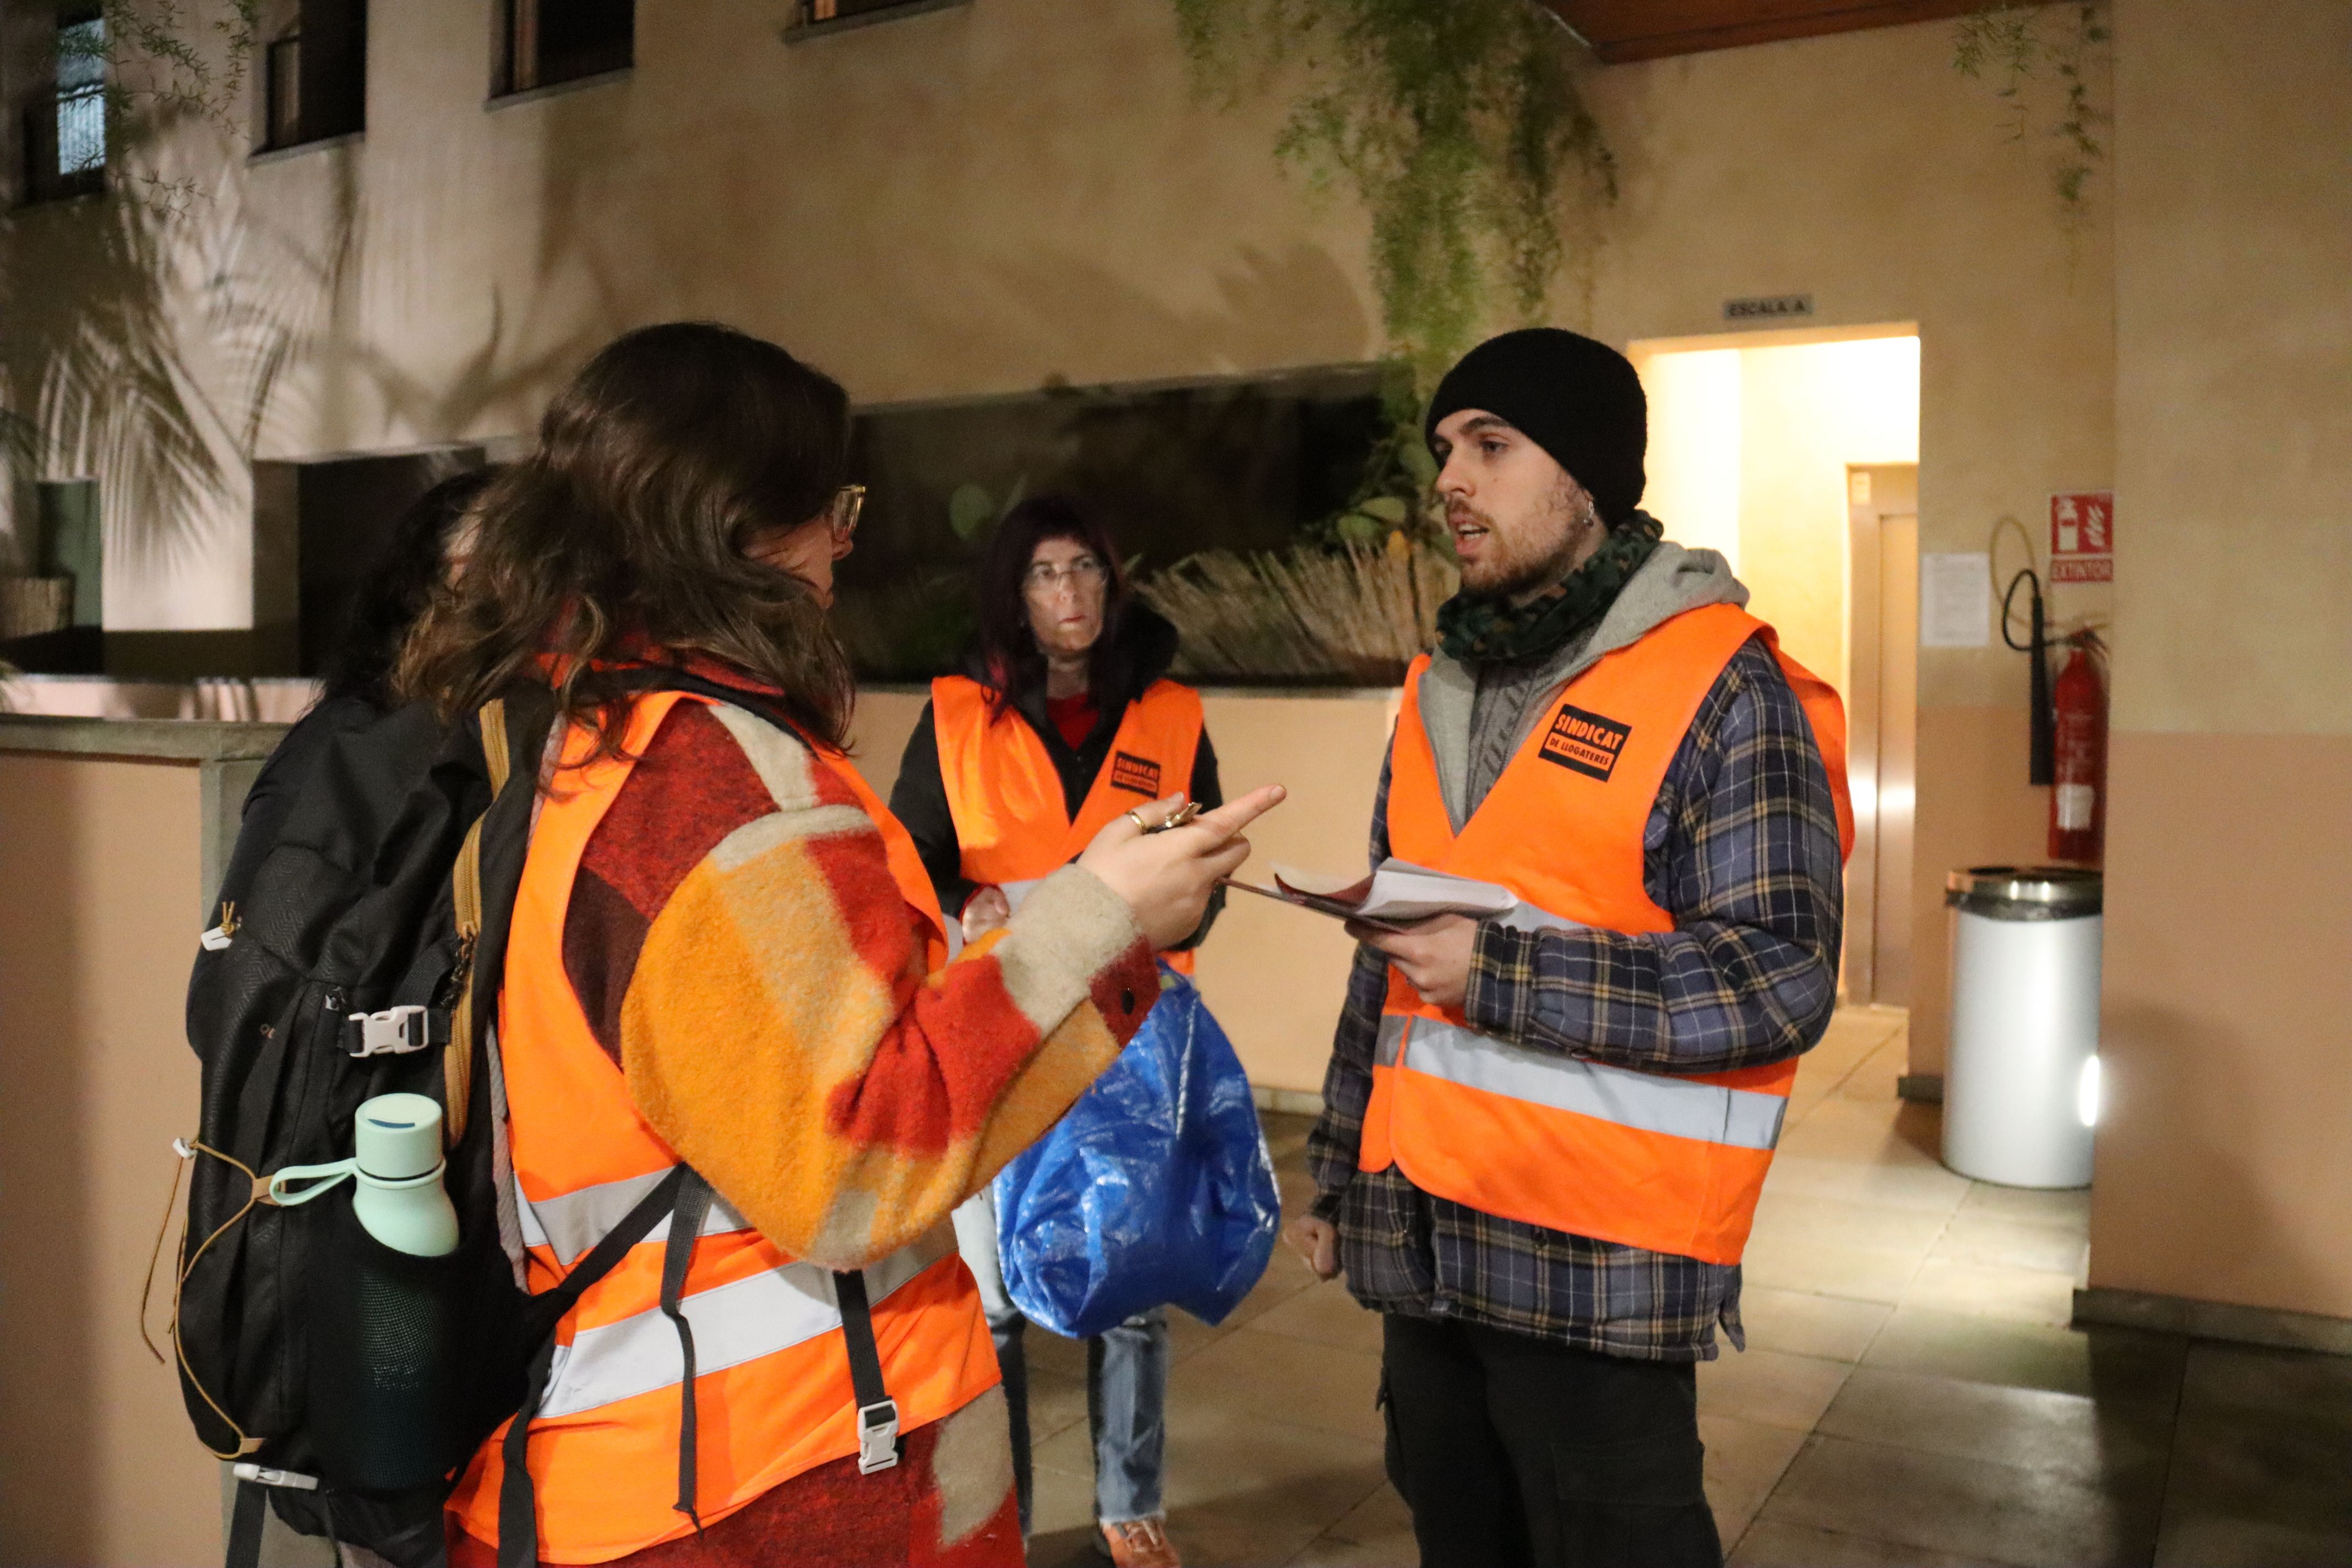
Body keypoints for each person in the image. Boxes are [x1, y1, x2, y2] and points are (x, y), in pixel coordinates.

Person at [395, 322, 1282, 1568]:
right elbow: (859, 1150)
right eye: (830, 507)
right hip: (766, 1485)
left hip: (676, 1455)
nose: (844, 543)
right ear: (738, 526)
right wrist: (1108, 920)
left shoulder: (574, 728)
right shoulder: (704, 779)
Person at [1292, 328, 1852, 1568]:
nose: (1452, 479)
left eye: (1492, 446)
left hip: (1595, 1269)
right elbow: (1386, 949)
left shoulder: (1718, 684)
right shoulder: (1439, 680)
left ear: (1588, 480)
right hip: (1427, 1244)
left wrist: (1499, 975)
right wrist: (1340, 1164)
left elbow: (1779, 975)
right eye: (1446, 449)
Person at [890, 495, 1220, 1568]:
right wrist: (965, 906)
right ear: (1012, 593)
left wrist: (1166, 902)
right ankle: (1008, 1519)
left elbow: (1206, 871)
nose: (1070, 593)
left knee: (1132, 1284)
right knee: (990, 1304)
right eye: (1044, 573)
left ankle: (1131, 1498)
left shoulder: (1170, 710)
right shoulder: (954, 712)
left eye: (1086, 568)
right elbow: (915, 863)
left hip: (1133, 1030)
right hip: (1000, 1023)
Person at [213, 465, 498, 948]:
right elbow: (236, 950)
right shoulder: (346, 742)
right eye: (494, 569)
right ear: (429, 587)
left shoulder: (503, 738)